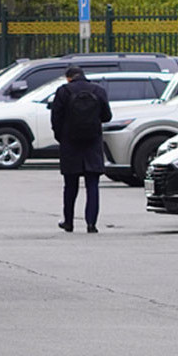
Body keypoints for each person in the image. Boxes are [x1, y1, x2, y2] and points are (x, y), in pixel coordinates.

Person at [49, 66, 112, 233]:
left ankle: (68, 222)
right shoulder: (98, 90)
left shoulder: (63, 91)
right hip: (93, 143)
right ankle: (91, 224)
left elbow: (56, 117)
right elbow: (107, 116)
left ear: (69, 78)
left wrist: (61, 137)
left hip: (70, 143)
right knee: (92, 185)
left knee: (70, 185)